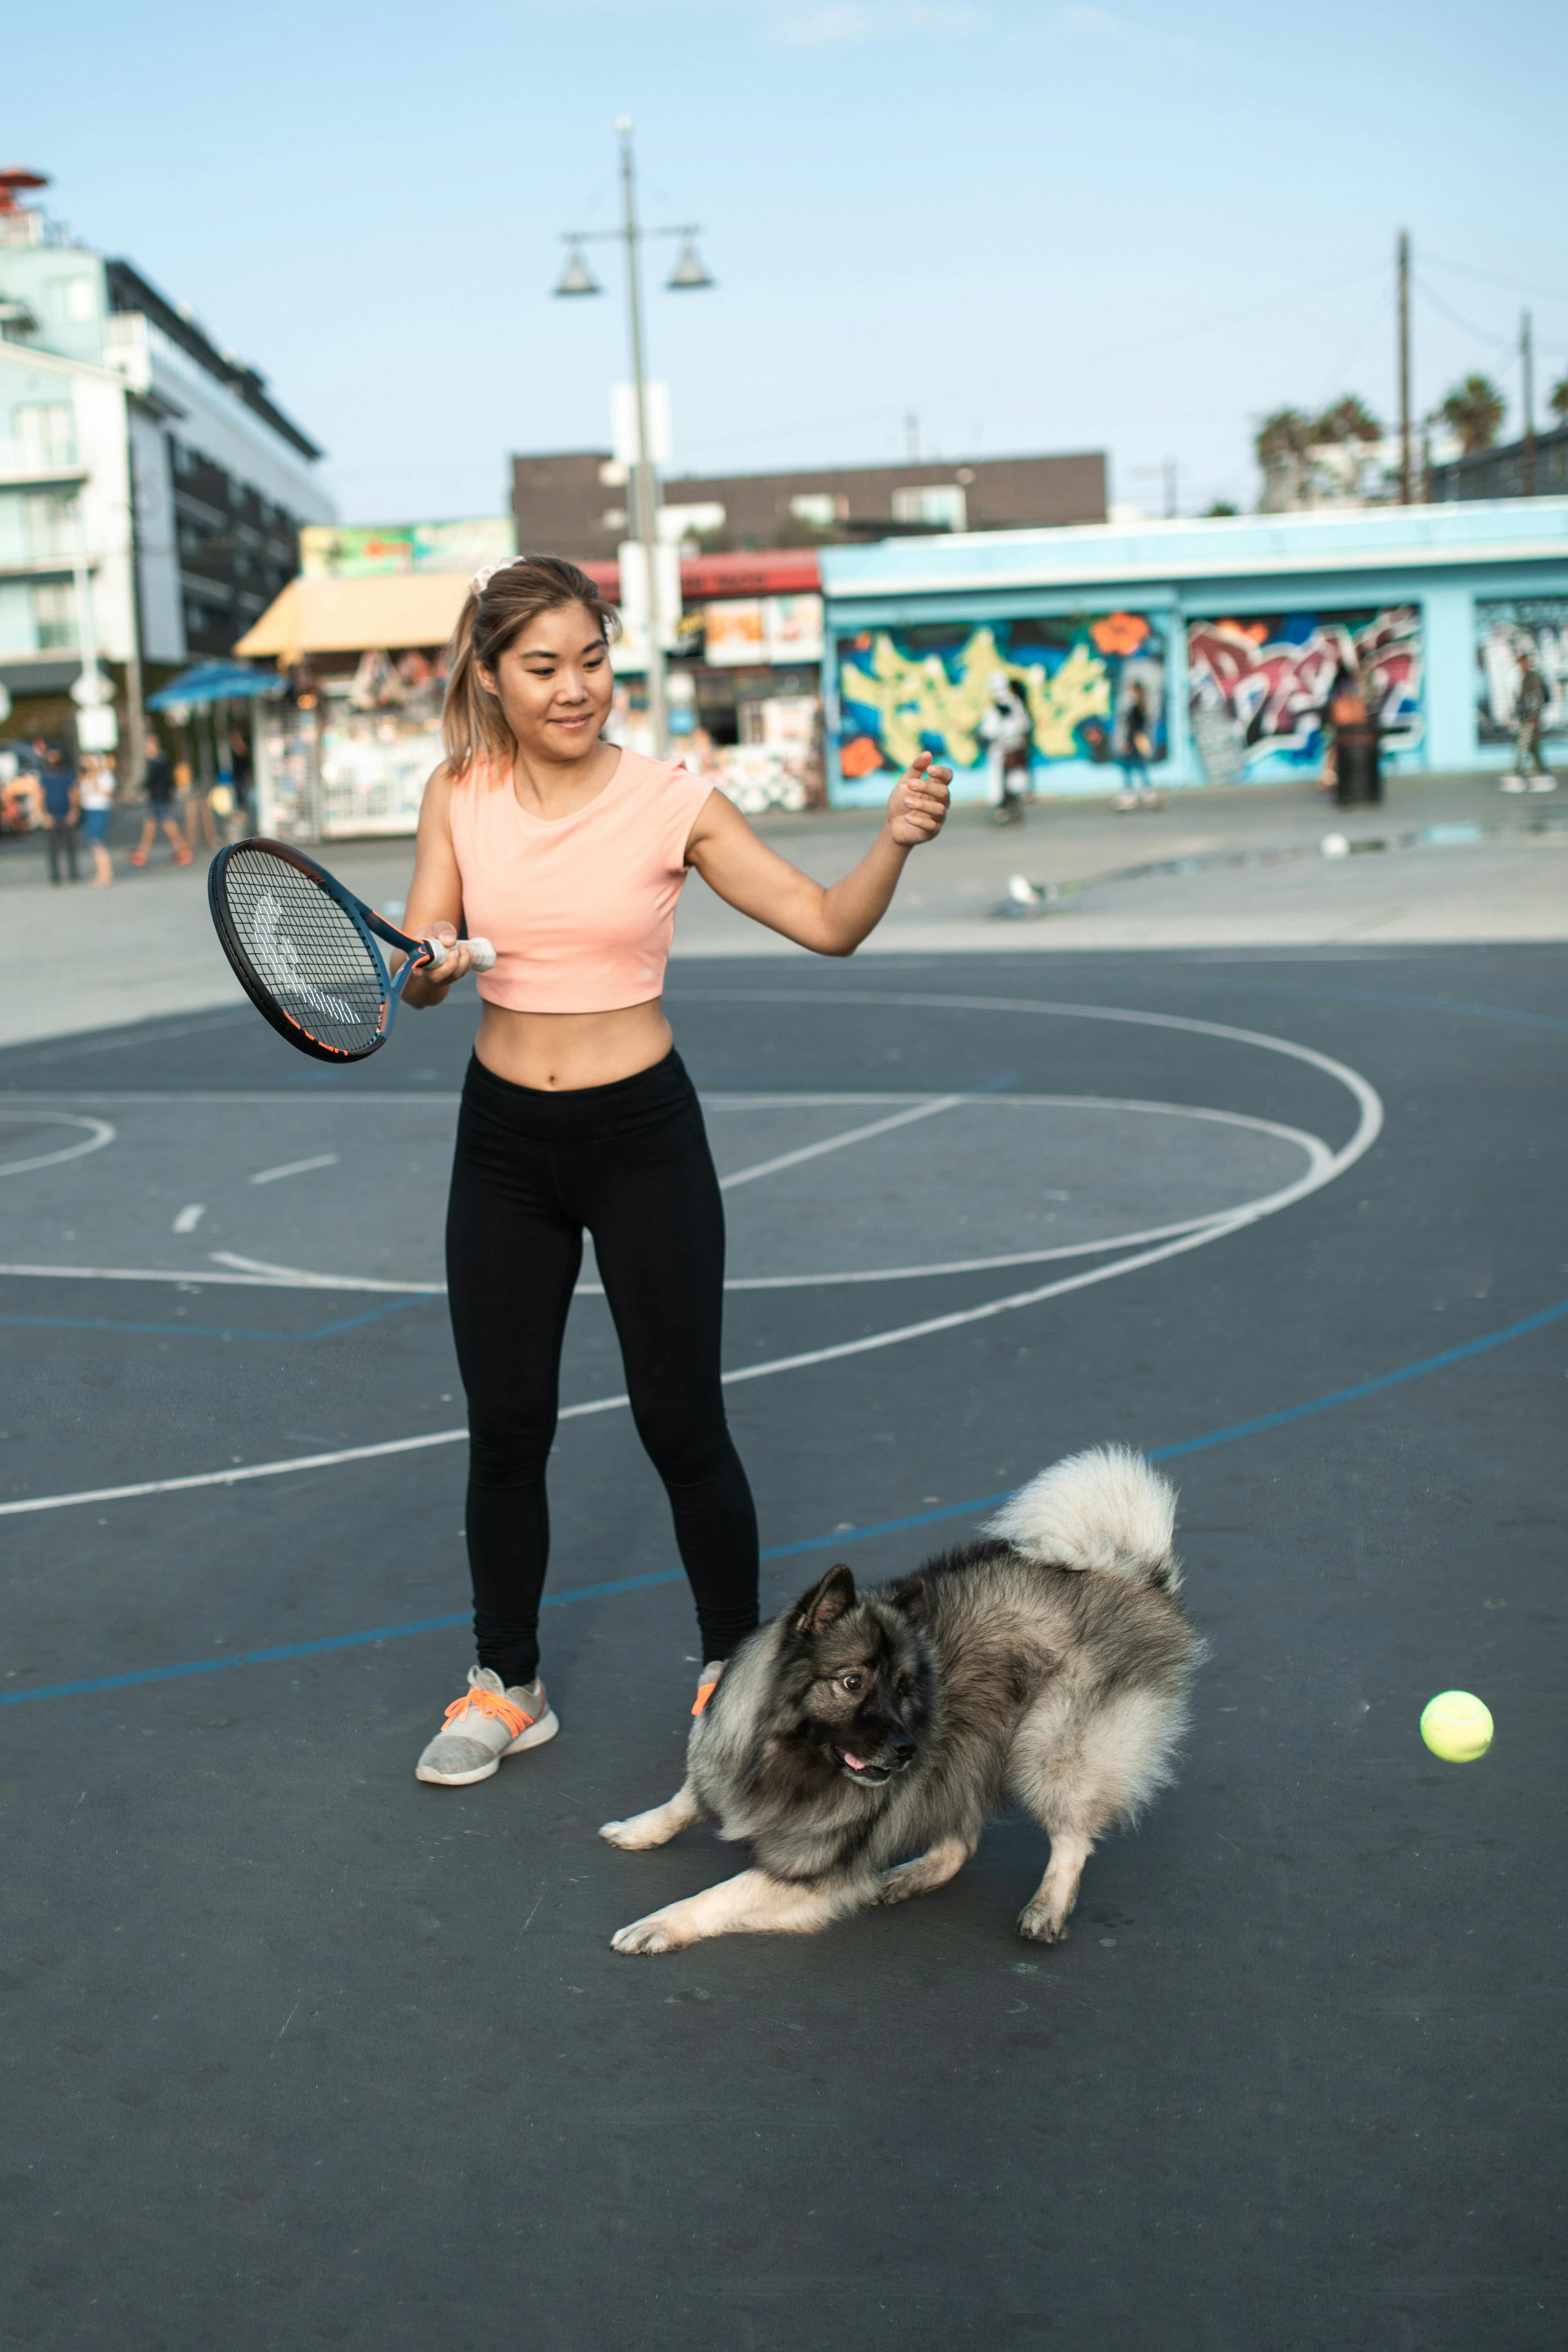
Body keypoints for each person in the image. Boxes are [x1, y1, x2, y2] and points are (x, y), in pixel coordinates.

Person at [404, 554, 952, 1789]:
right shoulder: (458, 794)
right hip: (503, 1146)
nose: (575, 688)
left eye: (592, 661)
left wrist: (894, 843)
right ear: (490, 675)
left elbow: (828, 922)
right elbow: (430, 959)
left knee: (680, 1421)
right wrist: (430, 966)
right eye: (543, 667)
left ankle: (731, 1672)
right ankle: (508, 1685)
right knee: (508, 1428)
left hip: (642, 1139)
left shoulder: (672, 801)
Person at [129, 733, 191, 866]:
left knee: (168, 825)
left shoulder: (158, 760)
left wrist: (138, 792)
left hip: (160, 797)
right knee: (151, 825)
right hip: (158, 797)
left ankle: (183, 851)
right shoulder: (160, 759)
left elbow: (152, 781)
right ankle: (143, 853)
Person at [979, 671, 1031, 826]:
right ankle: (1002, 808)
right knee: (998, 781)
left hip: (1012, 747)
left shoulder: (1015, 704)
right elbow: (989, 730)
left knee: (1013, 780)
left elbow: (1023, 725)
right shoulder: (994, 708)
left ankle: (1011, 807)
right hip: (999, 749)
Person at [1499, 649, 1554, 793]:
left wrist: (1533, 717)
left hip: (1530, 719)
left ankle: (1520, 773)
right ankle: (1541, 772)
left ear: (1527, 663)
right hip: (1528, 718)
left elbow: (1535, 699)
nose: (1520, 666)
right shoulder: (1526, 678)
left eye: (1522, 663)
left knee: (1523, 744)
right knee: (1533, 746)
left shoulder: (1532, 678)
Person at [1112, 681, 1160, 811]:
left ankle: (1132, 795)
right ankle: (1147, 795)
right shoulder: (1141, 707)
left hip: (1135, 743)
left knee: (1131, 769)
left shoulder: (1136, 709)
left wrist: (1127, 742)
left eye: (1131, 691)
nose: (1128, 694)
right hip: (1138, 742)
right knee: (1139, 768)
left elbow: (1133, 728)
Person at [39, 744, 79, 883]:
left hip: (66, 814)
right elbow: (41, 796)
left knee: (70, 847)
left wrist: (74, 812)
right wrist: (44, 815)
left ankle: (74, 874)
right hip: (51, 815)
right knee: (52, 849)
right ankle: (55, 876)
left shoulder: (67, 775)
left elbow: (73, 794)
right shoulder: (45, 777)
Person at [76, 752, 116, 886]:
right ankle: (101, 872)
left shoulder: (104, 776)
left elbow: (109, 793)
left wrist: (95, 781)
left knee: (98, 843)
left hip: (100, 809)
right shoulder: (85, 777)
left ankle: (106, 874)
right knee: (94, 844)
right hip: (89, 810)